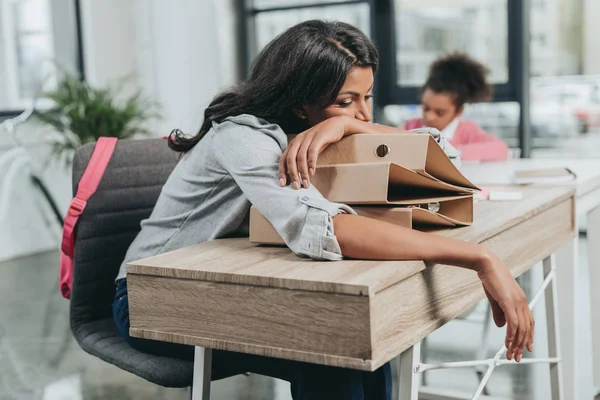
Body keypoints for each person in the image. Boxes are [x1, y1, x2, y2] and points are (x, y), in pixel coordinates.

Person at [112, 21, 533, 400]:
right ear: (300, 104)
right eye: (348, 101)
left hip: (227, 281)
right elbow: (322, 228)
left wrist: (348, 123)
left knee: (364, 343)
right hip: (152, 297)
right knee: (330, 347)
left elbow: (447, 163)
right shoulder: (245, 138)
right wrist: (480, 258)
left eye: (367, 97)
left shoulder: (321, 131)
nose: (365, 112)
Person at [404, 53, 510, 162]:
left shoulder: (467, 132)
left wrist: (454, 152)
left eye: (440, 112)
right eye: (426, 108)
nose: (429, 117)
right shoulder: (411, 127)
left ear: (458, 111)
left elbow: (501, 149)